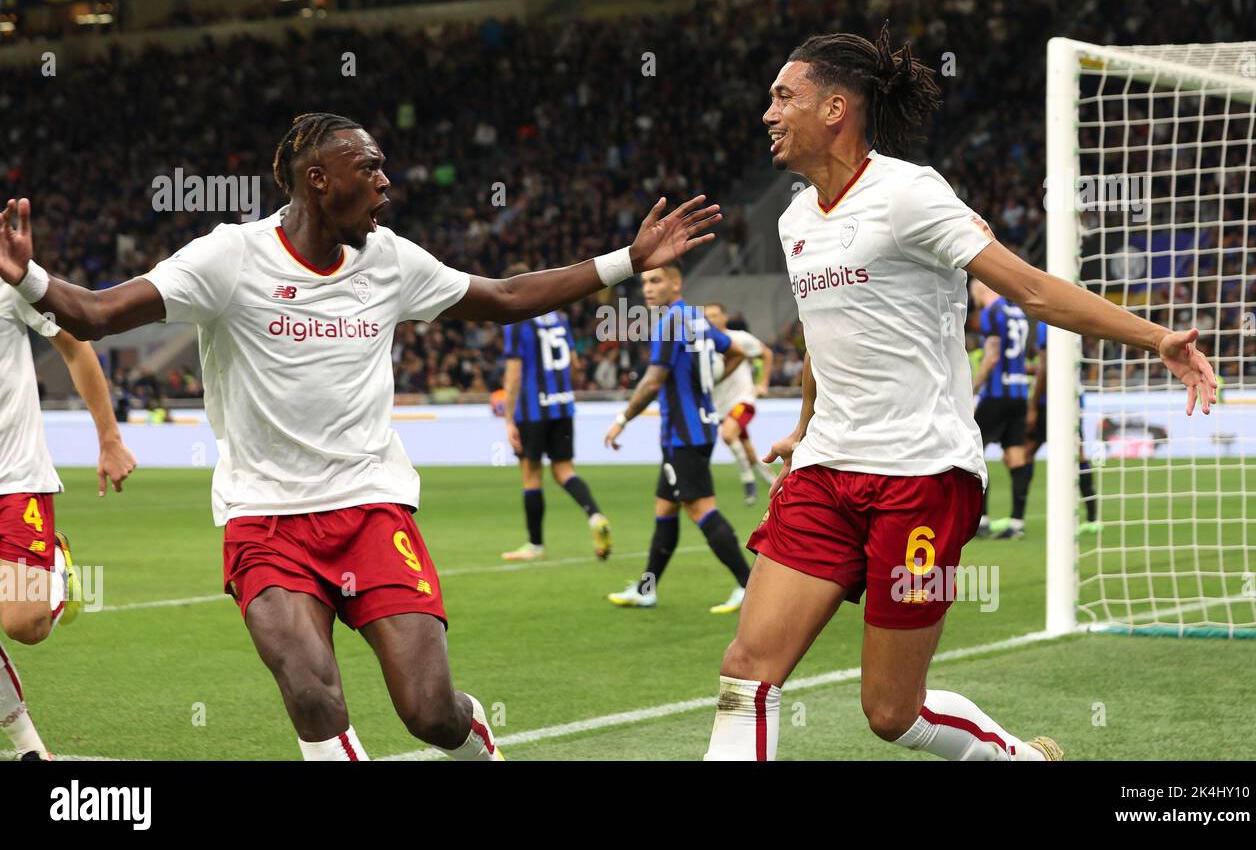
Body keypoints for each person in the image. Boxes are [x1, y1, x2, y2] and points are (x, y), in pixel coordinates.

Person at [0, 112, 718, 761]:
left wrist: (627, 260)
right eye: (369, 169)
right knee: (314, 695)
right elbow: (93, 314)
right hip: (265, 519)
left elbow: (501, 299)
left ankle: (477, 744)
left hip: (371, 508)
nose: (385, 185)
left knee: (430, 713)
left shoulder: (390, 260)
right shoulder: (229, 259)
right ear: (318, 180)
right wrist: (28, 276)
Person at [702, 29, 1216, 761]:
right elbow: (824, 336)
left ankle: (1020, 760)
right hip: (824, 471)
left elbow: (1032, 290)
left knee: (891, 712)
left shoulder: (910, 193)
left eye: (784, 96)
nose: (768, 113)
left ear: (836, 108)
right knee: (747, 672)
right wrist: (805, 425)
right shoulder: (792, 221)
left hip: (922, 478)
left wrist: (1155, 337)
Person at [0, 283, 136, 761]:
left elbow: (76, 347)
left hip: (14, 480)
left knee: (25, 624)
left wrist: (109, 438)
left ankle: (54, 566)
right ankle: (30, 748)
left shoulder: (9, 284)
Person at [604, 265, 752, 613]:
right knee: (665, 509)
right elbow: (737, 352)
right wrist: (705, 387)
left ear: (676, 282)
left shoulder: (669, 322)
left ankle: (749, 586)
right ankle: (647, 588)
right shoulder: (697, 319)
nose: (648, 289)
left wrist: (622, 419)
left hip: (683, 436)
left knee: (701, 510)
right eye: (644, 282)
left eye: (656, 281)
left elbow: (653, 381)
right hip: (695, 429)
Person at [499, 264, 612, 561]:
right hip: (562, 404)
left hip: (532, 411)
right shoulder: (560, 320)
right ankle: (594, 515)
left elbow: (514, 375)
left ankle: (535, 545)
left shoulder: (517, 323)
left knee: (531, 475)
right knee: (564, 471)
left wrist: (509, 418)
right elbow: (575, 365)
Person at [969, 278, 1033, 539]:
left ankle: (981, 520)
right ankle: (1016, 522)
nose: (974, 300)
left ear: (981, 290)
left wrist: (972, 388)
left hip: (996, 394)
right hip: (1019, 393)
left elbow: (992, 356)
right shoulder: (1017, 311)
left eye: (974, 294)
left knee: (973, 453)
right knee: (1016, 456)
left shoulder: (991, 313)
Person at [1025, 321, 1101, 534]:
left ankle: (1016, 519)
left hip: (1049, 401)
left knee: (1023, 454)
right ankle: (1093, 517)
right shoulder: (1070, 318)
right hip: (1073, 398)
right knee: (1078, 455)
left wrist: (1032, 404)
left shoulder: (1046, 322)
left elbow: (1046, 364)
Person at [703, 302, 776, 505]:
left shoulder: (740, 338)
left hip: (743, 400)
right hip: (720, 407)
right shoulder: (703, 345)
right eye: (707, 316)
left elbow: (767, 354)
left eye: (715, 315)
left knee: (727, 434)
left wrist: (763, 383)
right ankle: (776, 483)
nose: (711, 319)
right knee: (748, 451)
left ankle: (748, 481)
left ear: (724, 317)